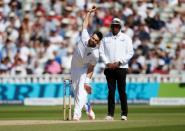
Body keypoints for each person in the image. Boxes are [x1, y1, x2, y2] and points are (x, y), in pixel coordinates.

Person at [70, 6, 103, 121]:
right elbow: (84, 24)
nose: (93, 40)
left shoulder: (95, 53)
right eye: (93, 38)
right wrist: (89, 12)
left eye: (96, 40)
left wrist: (87, 82)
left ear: (98, 43)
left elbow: (91, 68)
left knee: (81, 92)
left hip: (83, 70)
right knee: (76, 93)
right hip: (73, 68)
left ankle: (76, 116)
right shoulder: (84, 36)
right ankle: (88, 107)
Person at [99, 18, 134, 120]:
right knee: (111, 91)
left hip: (121, 68)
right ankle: (110, 114)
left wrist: (119, 62)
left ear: (120, 27)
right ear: (111, 27)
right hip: (109, 68)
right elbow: (101, 52)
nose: (115, 28)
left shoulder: (126, 38)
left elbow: (130, 52)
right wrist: (107, 63)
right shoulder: (105, 38)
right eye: (113, 26)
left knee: (122, 91)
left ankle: (124, 113)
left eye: (117, 26)